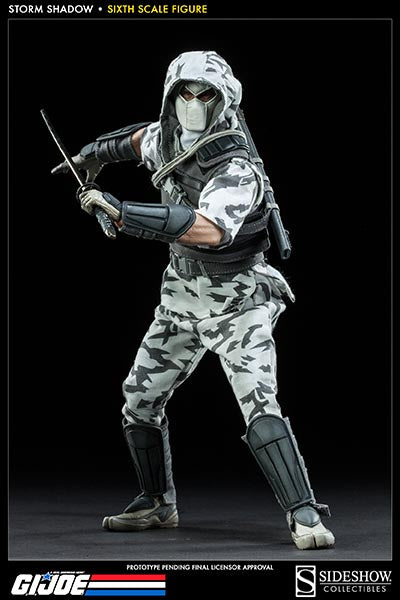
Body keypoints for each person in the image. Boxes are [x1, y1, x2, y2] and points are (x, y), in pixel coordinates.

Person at [53, 50, 334, 550]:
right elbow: (135, 141)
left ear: (224, 100)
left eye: (207, 95)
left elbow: (208, 230)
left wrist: (121, 212)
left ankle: (303, 511)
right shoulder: (164, 137)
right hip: (181, 295)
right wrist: (90, 157)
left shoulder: (236, 166)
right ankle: (157, 503)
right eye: (186, 92)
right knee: (139, 399)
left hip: (238, 299)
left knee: (259, 403)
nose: (194, 103)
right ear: (171, 94)